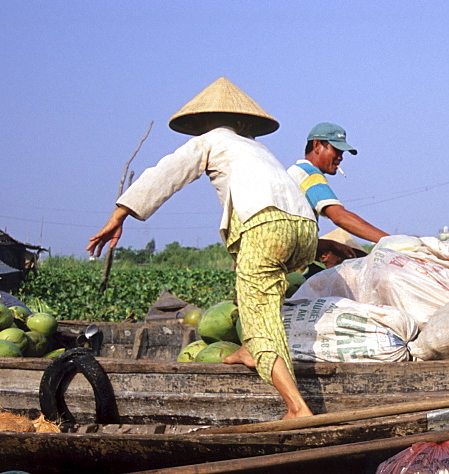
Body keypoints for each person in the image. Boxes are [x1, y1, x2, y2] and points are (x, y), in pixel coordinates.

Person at [86, 77, 317, 419]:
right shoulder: (258, 149)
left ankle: (297, 408)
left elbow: (165, 174)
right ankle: (249, 350)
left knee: (259, 314)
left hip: (264, 226)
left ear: (205, 123)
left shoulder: (211, 140)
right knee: (257, 291)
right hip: (304, 229)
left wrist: (120, 214)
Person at [287, 122, 390, 244]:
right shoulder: (310, 174)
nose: (340, 157)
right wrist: (392, 241)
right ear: (317, 145)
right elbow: (339, 216)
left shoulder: (294, 172)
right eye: (337, 150)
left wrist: (326, 245)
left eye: (342, 153)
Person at [303, 227, 368, 279]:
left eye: (327, 252)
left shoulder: (357, 278)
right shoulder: (315, 276)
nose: (323, 256)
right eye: (321, 253)